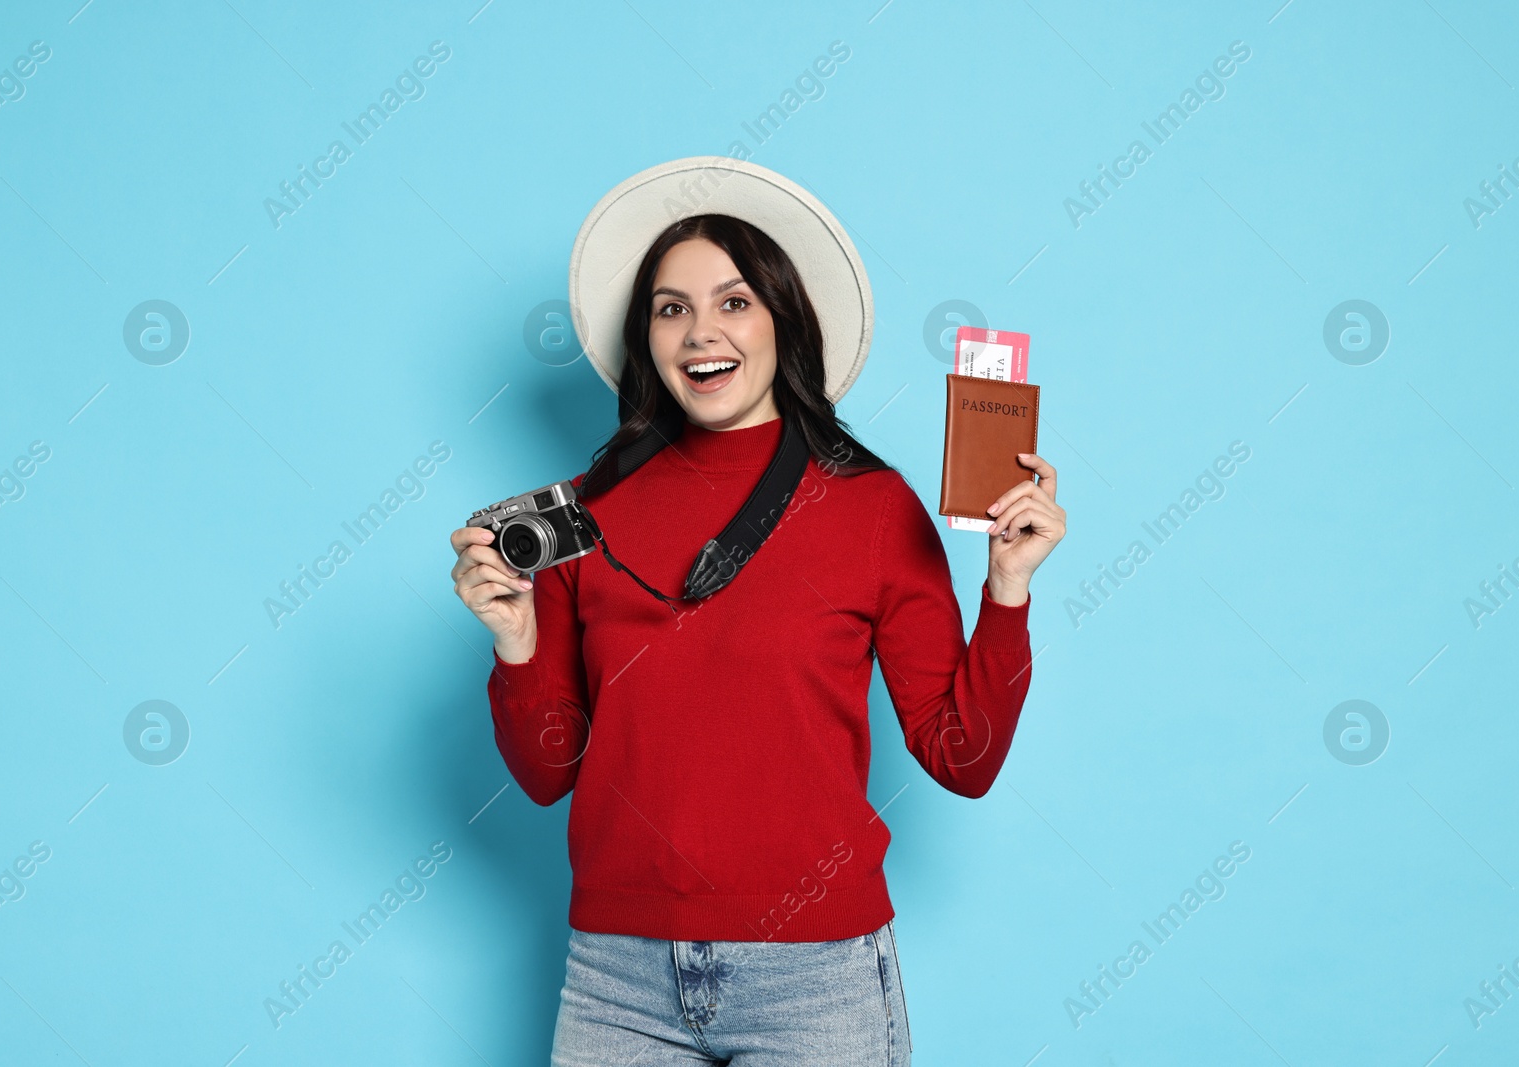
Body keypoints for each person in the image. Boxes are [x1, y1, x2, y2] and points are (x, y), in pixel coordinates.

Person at [449, 158, 1065, 1066]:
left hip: (816, 977)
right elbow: (549, 775)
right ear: (645, 336)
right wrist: (515, 641)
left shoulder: (873, 508)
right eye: (671, 307)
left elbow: (960, 758)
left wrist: (1005, 593)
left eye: (735, 302)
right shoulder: (586, 511)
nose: (702, 331)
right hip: (616, 976)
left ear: (786, 319)